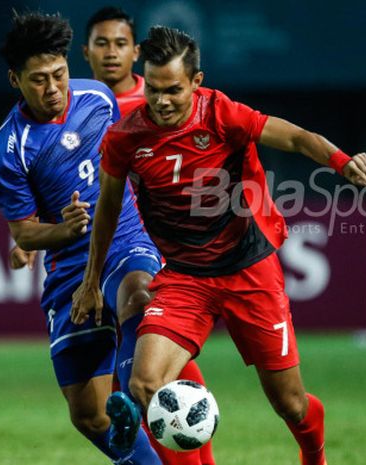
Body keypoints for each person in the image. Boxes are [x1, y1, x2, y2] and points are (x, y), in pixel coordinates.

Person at [72, 26, 366, 465]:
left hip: (248, 268)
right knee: (143, 384)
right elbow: (107, 211)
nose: (161, 101)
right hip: (184, 277)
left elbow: (293, 137)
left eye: (173, 90)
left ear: (196, 82)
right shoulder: (125, 139)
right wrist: (91, 280)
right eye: (153, 90)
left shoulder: (221, 113)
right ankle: (142, 425)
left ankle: (314, 453)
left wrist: (341, 162)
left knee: (289, 403)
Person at [0, 12, 165, 464]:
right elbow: (24, 230)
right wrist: (62, 230)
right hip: (68, 267)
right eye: (39, 80)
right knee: (87, 414)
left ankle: (133, 401)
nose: (53, 89)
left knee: (137, 297)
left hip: (123, 238)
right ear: (16, 80)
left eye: (59, 74)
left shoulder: (99, 97)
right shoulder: (11, 149)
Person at [82, 8, 214, 465]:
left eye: (120, 44)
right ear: (86, 53)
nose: (111, 53)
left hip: (155, 242)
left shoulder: (160, 102)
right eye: (102, 44)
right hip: (94, 242)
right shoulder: (78, 108)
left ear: (135, 52)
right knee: (130, 361)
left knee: (145, 326)